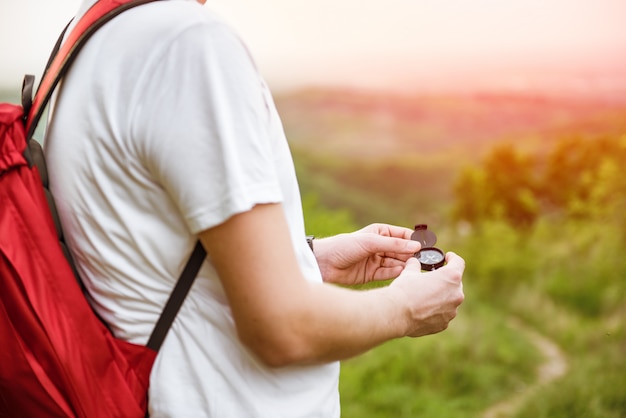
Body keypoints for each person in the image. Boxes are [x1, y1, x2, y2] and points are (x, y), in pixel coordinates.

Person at [44, 0, 465, 416]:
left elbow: (139, 256)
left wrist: (308, 261)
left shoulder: (91, 31)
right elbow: (283, 329)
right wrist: (407, 306)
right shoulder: (188, 43)